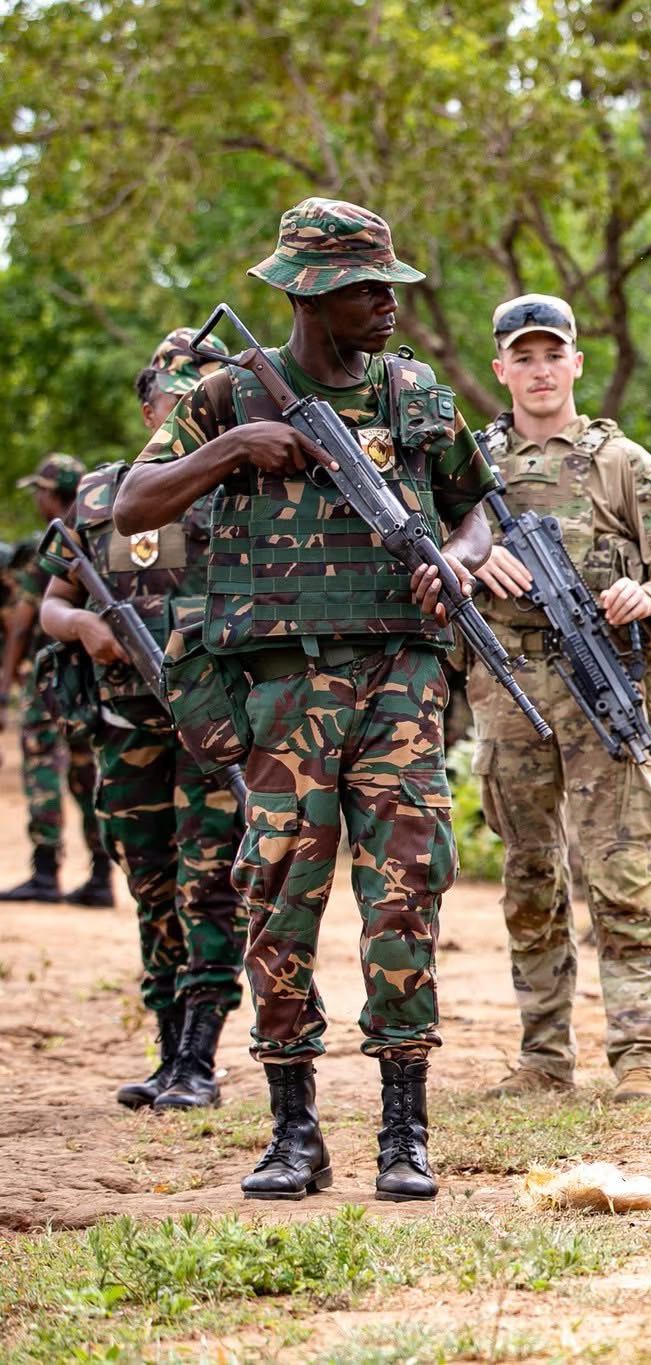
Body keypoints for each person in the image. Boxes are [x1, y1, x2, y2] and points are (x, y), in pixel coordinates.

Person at [114, 197, 498, 1201]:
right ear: (309, 296)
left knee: (406, 893)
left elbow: (481, 517)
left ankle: (403, 1132)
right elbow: (130, 506)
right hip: (279, 691)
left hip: (401, 678)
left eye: (390, 287)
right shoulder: (228, 395)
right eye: (367, 290)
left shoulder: (416, 393)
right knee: (278, 900)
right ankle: (293, 1131)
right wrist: (230, 452)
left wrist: (452, 565)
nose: (388, 305)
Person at [466, 293, 651, 1103]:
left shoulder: (623, 464)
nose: (540, 371)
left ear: (577, 363)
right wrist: (467, 562)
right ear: (500, 369)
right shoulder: (466, 469)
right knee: (530, 874)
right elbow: (419, 554)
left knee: (619, 872)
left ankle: (641, 1048)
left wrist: (650, 598)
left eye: (553, 355)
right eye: (523, 357)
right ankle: (543, 1056)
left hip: (602, 690)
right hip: (508, 693)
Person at [39, 334, 245, 1110]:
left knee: (211, 884)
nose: (177, 415)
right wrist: (84, 628)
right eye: (168, 400)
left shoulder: (240, 489)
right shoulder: (100, 494)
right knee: (152, 882)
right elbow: (55, 596)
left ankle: (199, 1058)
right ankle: (166, 1050)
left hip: (212, 722)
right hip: (124, 725)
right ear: (147, 405)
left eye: (199, 403)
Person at [0, 454, 111, 906]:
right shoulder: (102, 530)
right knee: (88, 773)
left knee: (43, 764)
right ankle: (101, 877)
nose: (38, 499)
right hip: (91, 676)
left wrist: (5, 685)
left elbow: (24, 624)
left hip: (50, 678)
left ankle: (45, 872)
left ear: (53, 494)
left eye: (41, 491)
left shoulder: (56, 542)